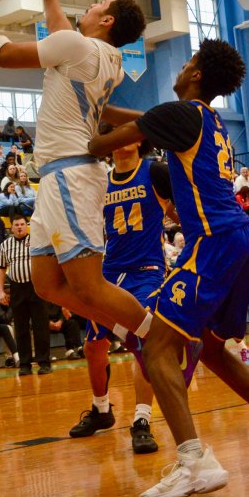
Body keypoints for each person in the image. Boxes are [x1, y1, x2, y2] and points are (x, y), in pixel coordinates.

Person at [87, 38, 249, 497]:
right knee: (212, 348)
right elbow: (137, 119)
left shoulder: (181, 115)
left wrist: (82, 111)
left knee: (157, 348)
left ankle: (194, 461)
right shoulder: (208, 119)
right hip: (242, 240)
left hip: (213, 241)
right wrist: (99, 105)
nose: (180, 68)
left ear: (195, 74)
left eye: (187, 62)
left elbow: (98, 143)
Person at [0, 0, 151, 355]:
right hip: (57, 176)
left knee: (89, 285)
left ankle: (158, 333)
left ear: (108, 20)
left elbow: (4, 55)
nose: (93, 4)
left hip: (70, 174)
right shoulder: (108, 58)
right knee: (46, 284)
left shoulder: (78, 47)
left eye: (101, 2)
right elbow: (62, 33)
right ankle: (127, 331)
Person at [69, 141, 176, 454]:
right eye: (112, 134)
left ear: (140, 139)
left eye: (125, 132)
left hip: (147, 271)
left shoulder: (155, 171)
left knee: (144, 343)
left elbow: (180, 207)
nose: (119, 138)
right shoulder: (101, 180)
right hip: (110, 272)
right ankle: (101, 410)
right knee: (93, 347)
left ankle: (142, 420)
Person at [0, 217, 51, 375]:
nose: (20, 227)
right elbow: (1, 268)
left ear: (27, 226)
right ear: (11, 228)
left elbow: (47, 261)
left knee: (41, 326)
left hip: (36, 287)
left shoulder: (37, 241)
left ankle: (44, 362)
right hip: (17, 288)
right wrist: (1, 290)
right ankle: (25, 364)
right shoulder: (5, 245)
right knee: (21, 328)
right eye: (16, 225)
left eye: (22, 224)